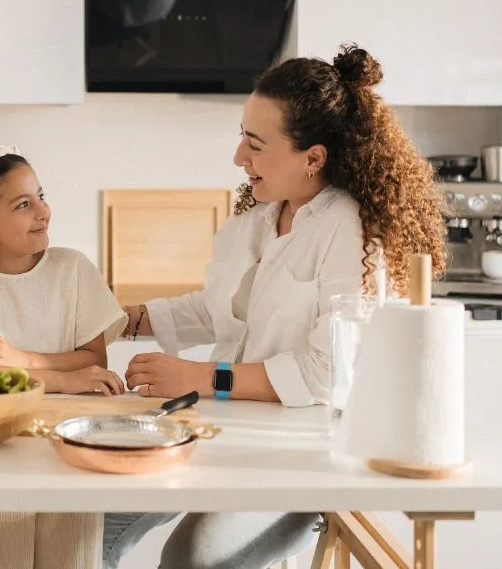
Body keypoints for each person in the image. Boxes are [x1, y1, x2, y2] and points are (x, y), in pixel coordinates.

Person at [103, 45, 446, 569]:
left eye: (256, 145)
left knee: (192, 558)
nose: (239, 157)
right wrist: (124, 319)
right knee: (94, 521)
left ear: (313, 158)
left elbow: (326, 372)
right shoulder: (257, 219)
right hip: (220, 429)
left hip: (302, 455)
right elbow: (222, 309)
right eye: (241, 136)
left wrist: (200, 376)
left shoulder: (351, 234)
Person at [0, 143, 128, 569]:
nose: (43, 212)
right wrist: (64, 378)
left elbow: (93, 361)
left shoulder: (73, 269)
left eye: (42, 197)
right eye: (23, 204)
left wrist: (21, 361)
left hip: (73, 445)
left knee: (72, 558)